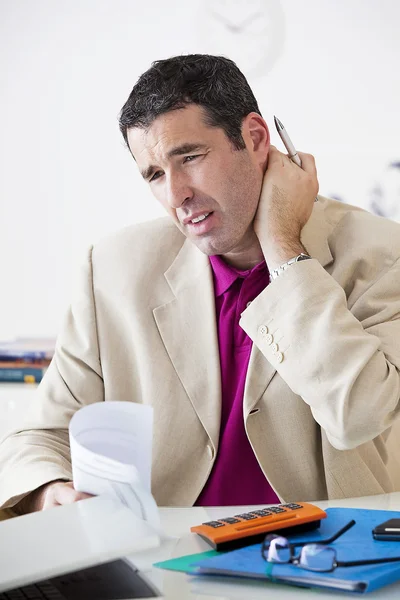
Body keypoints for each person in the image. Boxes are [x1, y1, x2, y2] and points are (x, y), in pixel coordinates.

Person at [1, 54, 400, 514]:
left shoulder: (382, 256)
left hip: (322, 564)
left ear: (254, 139)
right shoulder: (111, 270)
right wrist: (53, 494)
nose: (176, 196)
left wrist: (283, 244)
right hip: (162, 562)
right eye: (154, 174)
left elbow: (359, 415)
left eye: (189, 157)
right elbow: (37, 438)